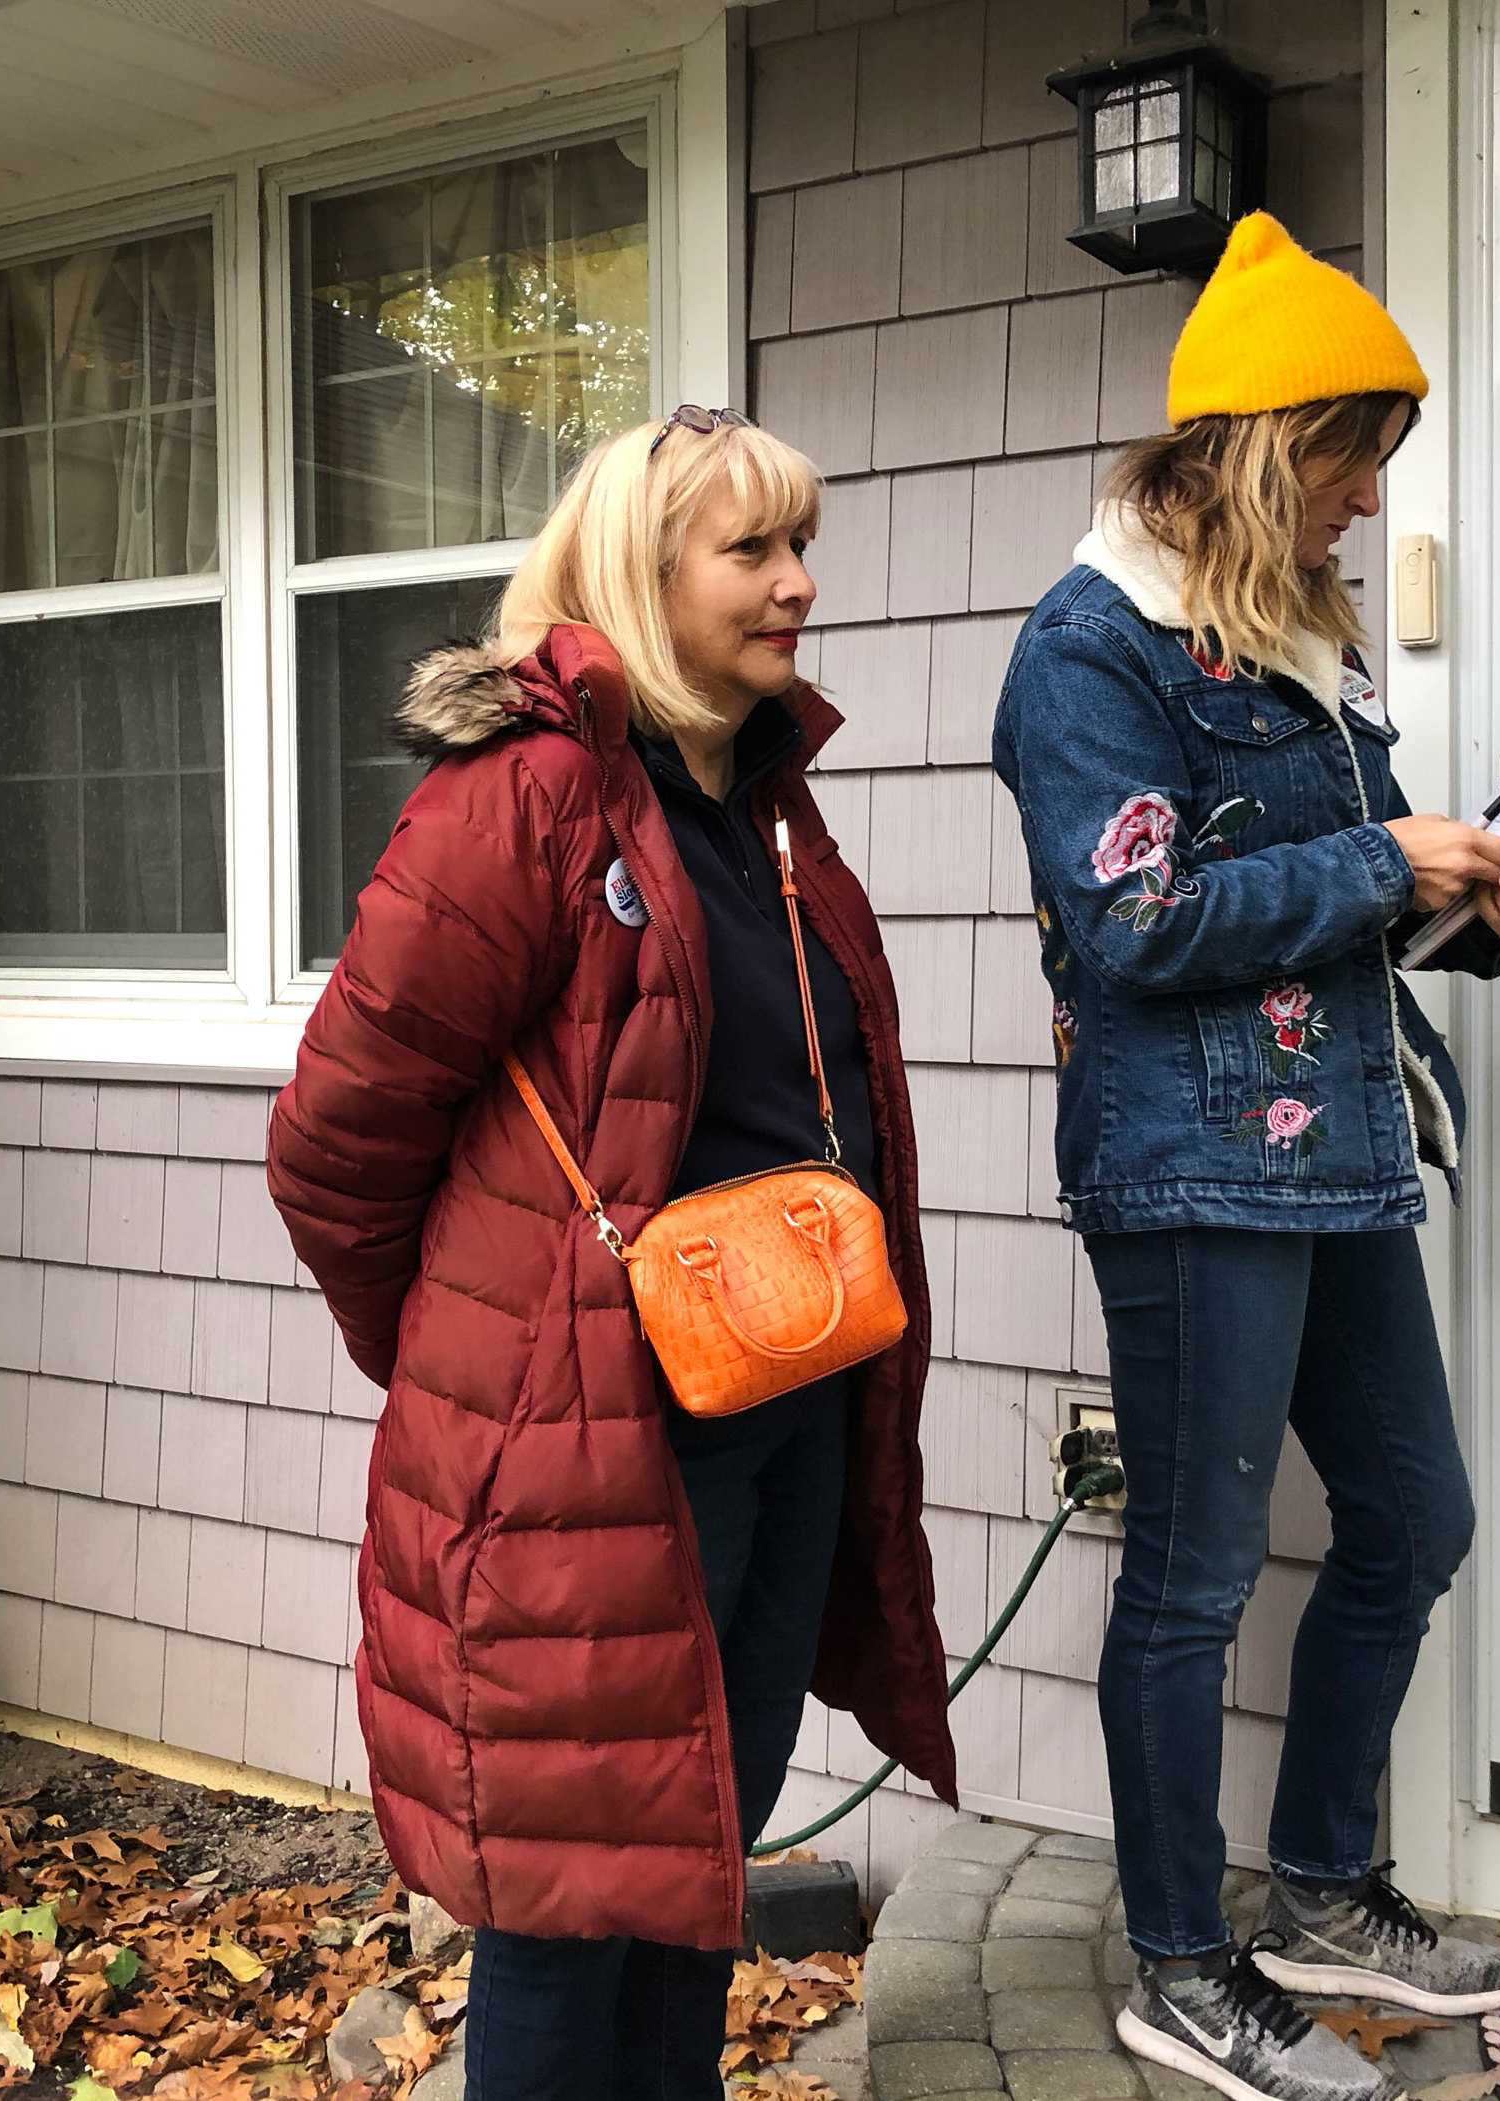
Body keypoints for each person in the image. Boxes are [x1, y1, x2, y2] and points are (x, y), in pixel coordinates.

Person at [267, 408, 954, 2101]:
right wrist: (487, 1364)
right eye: (753, 551)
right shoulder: (525, 796)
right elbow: (333, 1146)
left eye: (803, 545)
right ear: (641, 576)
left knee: (695, 1848)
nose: (799, 584)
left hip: (787, 1391)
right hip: (601, 1440)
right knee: (571, 1908)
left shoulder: (759, 795)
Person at [993, 213, 1500, 2101]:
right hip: (1182, 1172)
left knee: (1409, 1518)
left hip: (1335, 1143)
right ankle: (1181, 1963)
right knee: (1185, 1579)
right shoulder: (1087, 651)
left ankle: (1325, 1888)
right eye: (1351, 462)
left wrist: (1483, 910)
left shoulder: (1290, 642)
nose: (1362, 503)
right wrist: (1380, 858)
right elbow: (1136, 922)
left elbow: (1335, 915)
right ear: (1263, 446)